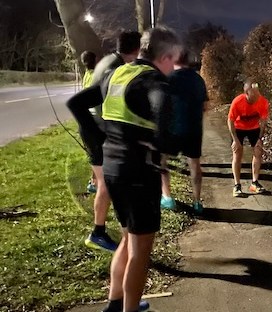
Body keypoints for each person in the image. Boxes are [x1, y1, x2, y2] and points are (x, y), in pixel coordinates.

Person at [67, 26, 181, 312]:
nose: (174, 67)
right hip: (140, 173)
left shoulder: (116, 74)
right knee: (141, 250)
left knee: (129, 237)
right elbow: (169, 137)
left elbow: (77, 103)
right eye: (174, 60)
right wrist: (164, 142)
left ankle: (115, 303)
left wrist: (99, 135)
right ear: (165, 56)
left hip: (113, 167)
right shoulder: (155, 83)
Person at [70, 31, 142, 253]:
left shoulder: (110, 60)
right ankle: (99, 233)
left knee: (105, 182)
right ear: (137, 50)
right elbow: (102, 102)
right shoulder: (115, 68)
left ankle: (101, 232)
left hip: (93, 127)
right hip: (98, 129)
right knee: (106, 183)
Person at [160, 50, 208, 213]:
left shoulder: (168, 79)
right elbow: (204, 106)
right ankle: (197, 201)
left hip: (172, 129)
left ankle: (167, 198)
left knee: (161, 161)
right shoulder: (198, 79)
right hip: (194, 128)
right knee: (194, 164)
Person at [227, 80, 269, 197]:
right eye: (254, 94)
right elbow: (230, 121)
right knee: (237, 153)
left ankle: (254, 183)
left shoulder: (263, 101)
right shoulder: (237, 102)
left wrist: (260, 139)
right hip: (238, 128)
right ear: (246, 93)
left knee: (258, 151)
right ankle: (237, 185)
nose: (257, 96)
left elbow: (263, 121)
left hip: (254, 128)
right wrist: (235, 140)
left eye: (258, 93)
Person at [81, 50, 98, 194]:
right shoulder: (95, 76)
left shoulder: (86, 75)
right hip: (96, 118)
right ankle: (95, 181)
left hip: (86, 118)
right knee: (98, 152)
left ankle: (94, 181)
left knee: (93, 152)